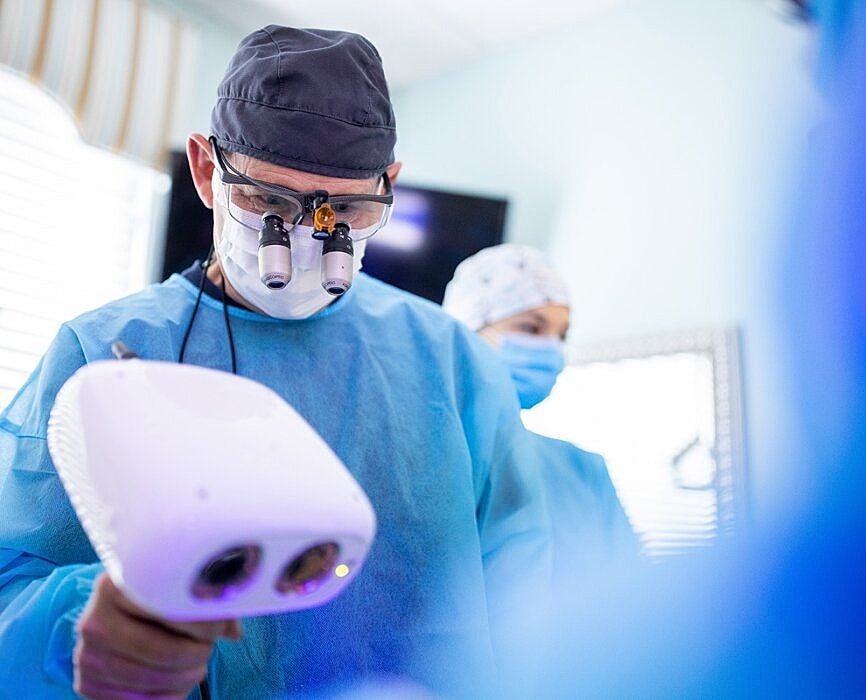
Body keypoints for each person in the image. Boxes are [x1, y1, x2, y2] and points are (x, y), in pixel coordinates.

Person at [0, 27, 552, 699]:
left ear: (390, 187)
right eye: (267, 202)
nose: (303, 241)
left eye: (344, 210)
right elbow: (10, 593)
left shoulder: (456, 366)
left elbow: (531, 612)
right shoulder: (100, 357)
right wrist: (83, 620)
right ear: (206, 172)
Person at [442, 243, 638, 576]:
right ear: (465, 334)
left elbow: (633, 598)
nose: (551, 348)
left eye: (562, 334)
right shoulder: (424, 461)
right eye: (531, 328)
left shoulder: (583, 469)